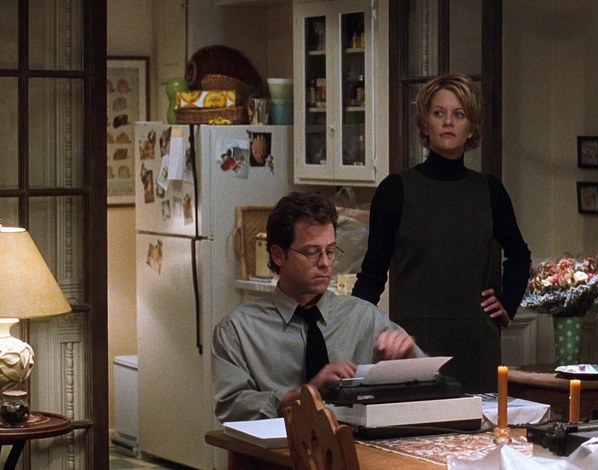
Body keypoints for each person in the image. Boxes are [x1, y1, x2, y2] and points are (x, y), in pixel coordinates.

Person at [352, 73, 531, 393]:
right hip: (413, 342)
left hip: (477, 343)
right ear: (425, 124)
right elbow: (372, 274)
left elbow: (519, 255)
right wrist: (350, 332)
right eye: (439, 113)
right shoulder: (396, 190)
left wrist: (507, 303)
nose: (448, 122)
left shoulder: (490, 191)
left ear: (471, 128)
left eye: (459, 114)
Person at [212, 191, 423, 422]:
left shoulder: (364, 317)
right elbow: (231, 407)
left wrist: (407, 363)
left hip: (355, 441)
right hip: (278, 444)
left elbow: (430, 379)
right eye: (312, 253)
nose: (325, 263)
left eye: (330, 251)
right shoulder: (238, 330)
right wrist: (305, 395)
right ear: (278, 255)